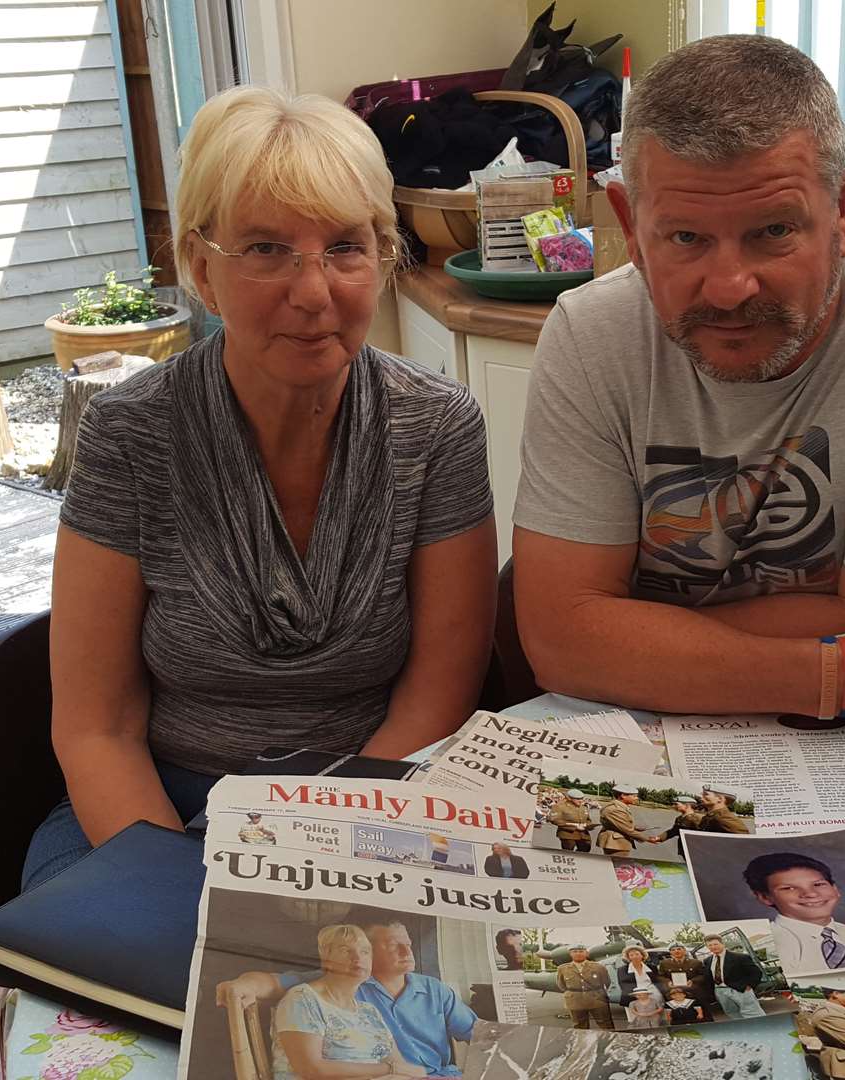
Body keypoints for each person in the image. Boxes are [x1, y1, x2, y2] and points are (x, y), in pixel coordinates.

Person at [30, 85, 497, 886]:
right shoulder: (131, 435)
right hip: (160, 807)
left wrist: (313, 856)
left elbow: (434, 698)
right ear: (201, 271)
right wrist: (185, 884)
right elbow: (98, 728)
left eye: (346, 246)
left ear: (383, 261)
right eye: (264, 249)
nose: (313, 292)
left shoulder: (438, 427)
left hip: (374, 795)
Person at [510, 34, 845, 720]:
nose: (729, 288)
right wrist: (843, 668)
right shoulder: (587, 332)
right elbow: (564, 643)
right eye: (686, 238)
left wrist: (633, 632)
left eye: (773, 231)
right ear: (629, 228)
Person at [216, 921, 480, 1076]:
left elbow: (479, 1033)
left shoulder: (432, 990)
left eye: (408, 944)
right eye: (392, 945)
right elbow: (273, 982)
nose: (406, 951)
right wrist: (243, 984)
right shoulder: (330, 983)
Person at [266, 924, 420, 1080]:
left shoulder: (368, 1011)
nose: (358, 958)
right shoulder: (302, 999)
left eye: (365, 952)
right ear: (326, 959)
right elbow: (311, 1069)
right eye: (346, 951)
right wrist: (388, 1069)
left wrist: (398, 1071)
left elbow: (400, 1066)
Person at [744, 852, 845, 971]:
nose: (810, 894)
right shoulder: (766, 945)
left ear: (835, 889)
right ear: (765, 897)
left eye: (819, 885)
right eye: (789, 888)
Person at [701, 935, 767, 1019]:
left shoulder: (740, 957)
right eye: (710, 945)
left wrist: (749, 985)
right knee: (732, 1014)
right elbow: (708, 977)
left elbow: (756, 973)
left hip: (740, 990)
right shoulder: (707, 960)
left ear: (722, 944)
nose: (713, 947)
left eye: (715, 944)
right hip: (720, 992)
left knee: (753, 1014)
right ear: (707, 947)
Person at [557, 944, 614, 1029]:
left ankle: (609, 1042)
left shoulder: (598, 967)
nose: (578, 953)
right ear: (570, 954)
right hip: (575, 1001)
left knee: (606, 1025)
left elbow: (607, 982)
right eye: (575, 952)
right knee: (579, 1027)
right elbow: (561, 985)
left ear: (586, 953)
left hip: (597, 1000)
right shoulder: (563, 969)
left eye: (581, 951)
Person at [598, 786, 659, 855]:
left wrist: (635, 827)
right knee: (618, 864)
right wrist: (648, 839)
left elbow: (619, 825)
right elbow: (627, 830)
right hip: (616, 844)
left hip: (617, 843)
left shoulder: (620, 807)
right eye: (634, 796)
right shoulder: (615, 809)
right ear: (623, 796)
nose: (637, 798)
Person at [657, 943, 714, 1017]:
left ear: (684, 951)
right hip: (675, 992)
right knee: (677, 1013)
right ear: (670, 952)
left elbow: (703, 975)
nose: (676, 951)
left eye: (679, 949)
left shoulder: (696, 962)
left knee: (702, 1009)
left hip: (693, 990)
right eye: (673, 950)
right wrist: (668, 982)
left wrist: (693, 981)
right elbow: (660, 976)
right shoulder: (664, 963)